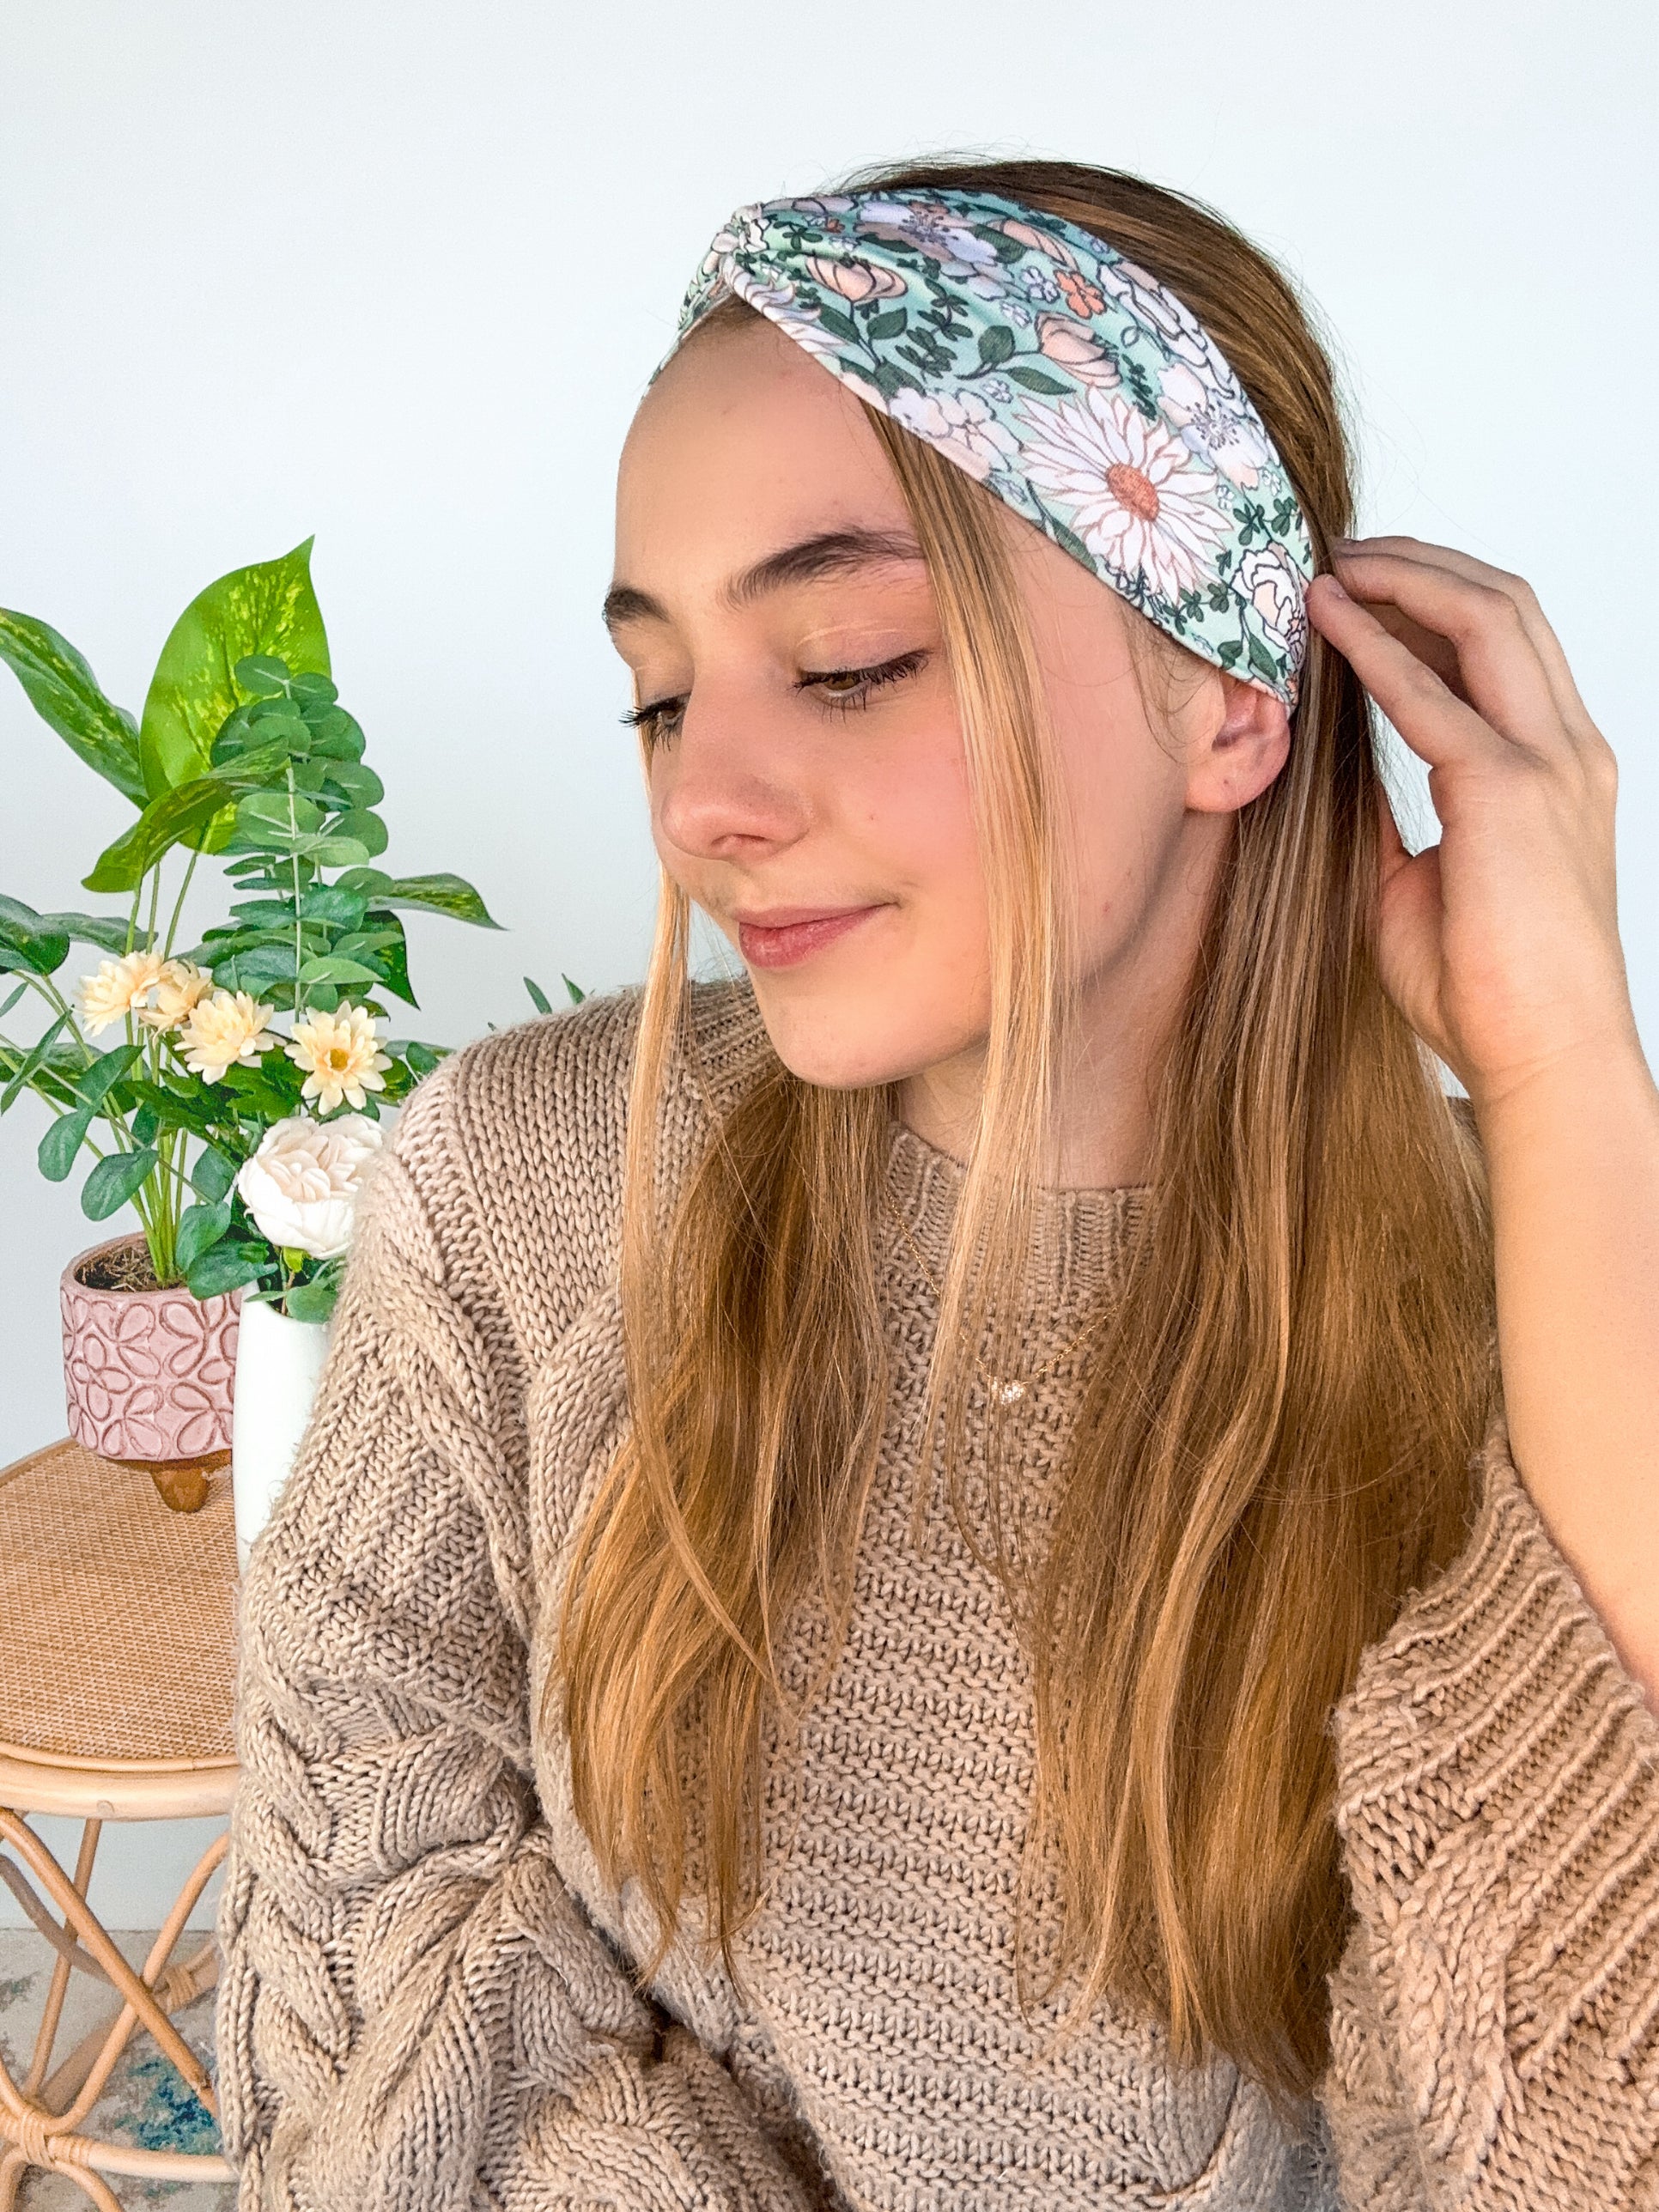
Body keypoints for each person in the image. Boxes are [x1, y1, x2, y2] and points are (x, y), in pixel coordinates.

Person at [214, 157, 1659, 2210]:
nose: (702, 800)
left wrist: (1568, 1077)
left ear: (1229, 692)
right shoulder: (524, 1193)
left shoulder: (1554, 1319)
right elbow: (370, 1987)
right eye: (657, 688)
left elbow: (1585, 2132)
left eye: (854, 656)